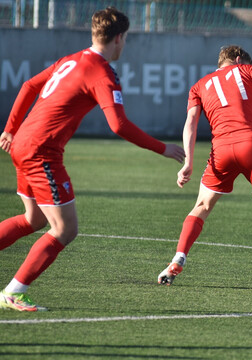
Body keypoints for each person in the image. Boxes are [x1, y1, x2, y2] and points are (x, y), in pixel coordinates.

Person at [0, 7, 185, 312]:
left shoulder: (71, 59)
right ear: (119, 38)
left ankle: (14, 290)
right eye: (125, 39)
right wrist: (161, 148)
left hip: (23, 143)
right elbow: (118, 125)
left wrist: (10, 128)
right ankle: (13, 292)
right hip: (41, 153)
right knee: (64, 229)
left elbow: (29, 85)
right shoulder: (101, 72)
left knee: (33, 219)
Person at [157, 45, 252, 291]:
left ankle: (177, 259)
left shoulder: (199, 85)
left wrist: (188, 162)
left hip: (221, 151)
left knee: (202, 206)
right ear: (238, 59)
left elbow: (191, 123)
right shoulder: (246, 69)